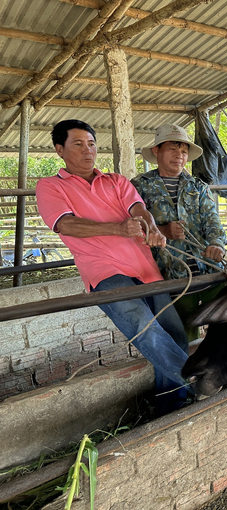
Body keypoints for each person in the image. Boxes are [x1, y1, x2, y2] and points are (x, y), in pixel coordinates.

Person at [35, 119, 192, 416]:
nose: (88, 150)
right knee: (146, 329)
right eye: (78, 144)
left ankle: (172, 406)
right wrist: (118, 229)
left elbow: (138, 209)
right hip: (105, 272)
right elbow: (66, 224)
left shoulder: (116, 181)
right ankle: (200, 381)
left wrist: (151, 228)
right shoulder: (50, 186)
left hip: (144, 267)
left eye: (91, 144)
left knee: (174, 333)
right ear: (60, 149)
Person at [132, 124, 227, 341]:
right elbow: (132, 225)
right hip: (171, 274)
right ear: (157, 151)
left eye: (184, 151)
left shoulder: (197, 187)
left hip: (207, 268)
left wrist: (217, 245)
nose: (179, 156)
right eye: (173, 150)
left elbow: (213, 221)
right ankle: (187, 373)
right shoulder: (140, 186)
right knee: (183, 335)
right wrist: (162, 230)